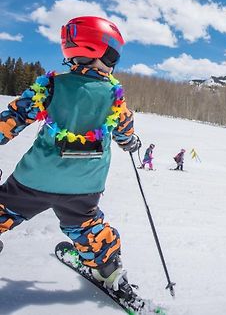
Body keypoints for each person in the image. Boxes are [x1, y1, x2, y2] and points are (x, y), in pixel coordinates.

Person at [0, 16, 141, 301]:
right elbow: (125, 131)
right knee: (88, 227)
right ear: (103, 52)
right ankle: (109, 271)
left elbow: (12, 119)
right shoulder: (115, 97)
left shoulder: (50, 86)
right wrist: (132, 143)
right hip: (84, 187)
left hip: (33, 180)